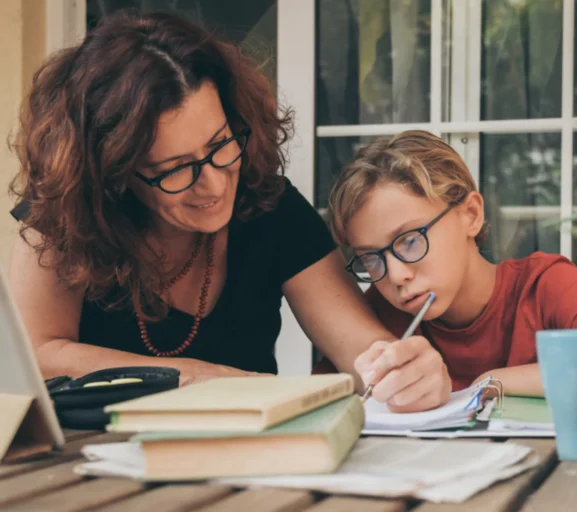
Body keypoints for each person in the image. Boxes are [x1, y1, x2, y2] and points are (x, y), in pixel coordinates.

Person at [7, 11, 450, 411]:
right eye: (175, 169)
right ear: (114, 172)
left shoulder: (272, 207)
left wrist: (403, 373)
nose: (215, 185)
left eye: (220, 144)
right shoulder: (66, 213)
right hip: (87, 458)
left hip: (244, 459)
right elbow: (38, 354)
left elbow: (362, 352)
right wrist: (194, 377)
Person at [325, 130, 577, 401]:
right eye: (370, 258)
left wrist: (491, 382)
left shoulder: (542, 286)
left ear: (471, 215)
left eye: (409, 241)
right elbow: (319, 400)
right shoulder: (378, 317)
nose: (396, 275)